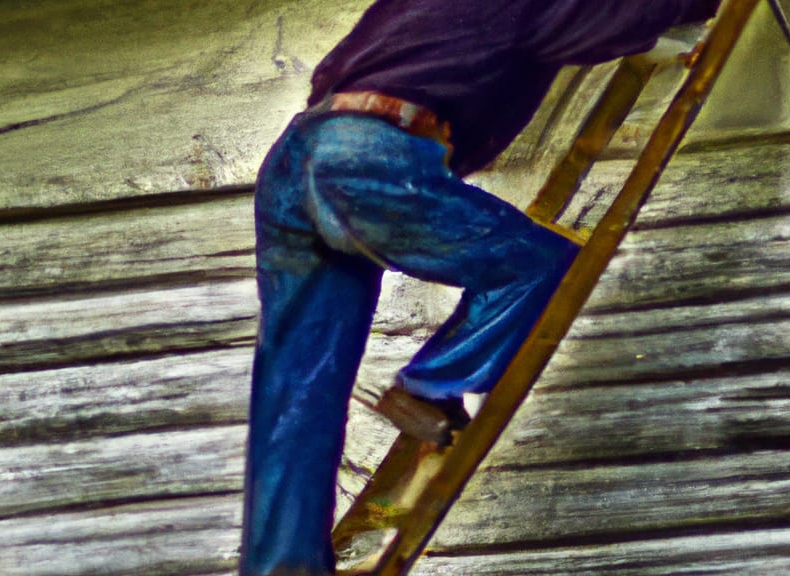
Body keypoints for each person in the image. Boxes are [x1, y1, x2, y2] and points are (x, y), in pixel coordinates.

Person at [241, 1, 721, 574]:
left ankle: (283, 566)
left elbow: (333, 73)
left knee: (298, 382)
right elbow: (606, 22)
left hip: (297, 158)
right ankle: (431, 386)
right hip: (369, 152)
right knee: (539, 265)